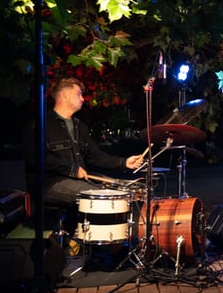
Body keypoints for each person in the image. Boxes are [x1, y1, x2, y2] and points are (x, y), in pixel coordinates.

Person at [25, 77, 144, 236]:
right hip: (50, 184)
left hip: (77, 181)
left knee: (124, 191)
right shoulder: (42, 124)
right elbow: (36, 158)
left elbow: (96, 156)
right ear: (65, 95)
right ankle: (102, 241)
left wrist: (124, 162)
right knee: (101, 196)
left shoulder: (79, 126)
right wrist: (71, 169)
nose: (83, 98)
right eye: (79, 94)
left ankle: (121, 239)